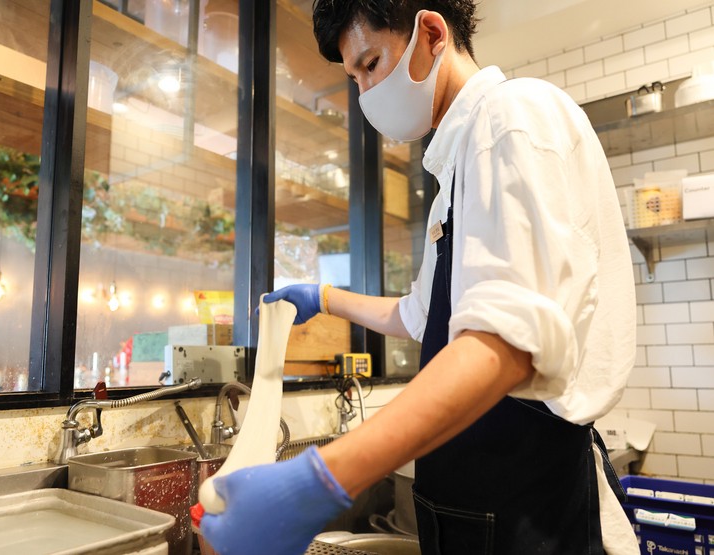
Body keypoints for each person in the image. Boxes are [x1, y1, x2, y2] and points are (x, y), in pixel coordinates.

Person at [199, 1, 638, 554]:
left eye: (371, 64)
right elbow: (419, 316)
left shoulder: (512, 116)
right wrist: (325, 297)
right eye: (354, 78)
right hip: (471, 497)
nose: (365, 94)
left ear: (431, 33)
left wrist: (320, 480)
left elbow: (508, 344)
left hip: (528, 494)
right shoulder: (454, 172)